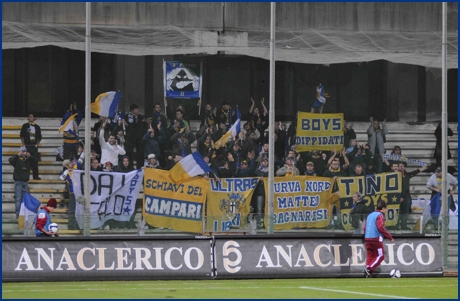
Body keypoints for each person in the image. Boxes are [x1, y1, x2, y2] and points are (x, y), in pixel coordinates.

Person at [364, 200, 394, 278]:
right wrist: (389, 237)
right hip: (376, 238)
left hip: (367, 238)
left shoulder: (370, 215)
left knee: (370, 256)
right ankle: (369, 269)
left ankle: (368, 274)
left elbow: (365, 227)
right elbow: (381, 227)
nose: (386, 211)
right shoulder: (380, 215)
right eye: (386, 209)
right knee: (380, 256)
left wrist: (367, 235)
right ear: (383, 208)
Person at [9, 147, 39, 218]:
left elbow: (36, 161)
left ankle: (23, 213)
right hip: (18, 182)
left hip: (25, 182)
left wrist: (29, 155)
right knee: (18, 198)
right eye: (22, 152)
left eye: (25, 151)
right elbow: (10, 160)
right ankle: (18, 214)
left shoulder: (28, 161)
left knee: (24, 198)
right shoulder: (16, 161)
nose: (24, 153)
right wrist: (18, 155)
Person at [398, 162, 427, 230]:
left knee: (406, 212)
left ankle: (403, 226)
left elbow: (415, 172)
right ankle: (396, 226)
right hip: (397, 197)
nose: (402, 167)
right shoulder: (394, 175)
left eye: (403, 166)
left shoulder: (407, 175)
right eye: (400, 166)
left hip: (407, 196)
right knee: (398, 212)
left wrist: (423, 167)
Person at [20, 113, 42, 180]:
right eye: (29, 116)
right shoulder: (25, 126)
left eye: (31, 116)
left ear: (34, 118)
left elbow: (39, 137)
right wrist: (23, 144)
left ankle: (35, 176)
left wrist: (37, 144)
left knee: (35, 161)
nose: (30, 117)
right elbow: (22, 135)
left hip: (33, 146)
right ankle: (25, 176)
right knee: (26, 161)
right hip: (27, 145)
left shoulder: (37, 127)